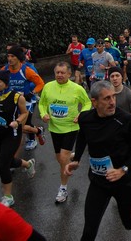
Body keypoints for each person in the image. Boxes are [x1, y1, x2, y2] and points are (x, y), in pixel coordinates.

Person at [64, 81, 131, 241]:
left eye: (113, 97)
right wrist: (76, 159)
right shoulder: (85, 119)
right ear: (94, 102)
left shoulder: (125, 120)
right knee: (88, 232)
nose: (112, 102)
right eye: (106, 98)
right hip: (99, 181)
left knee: (130, 223)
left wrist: (122, 170)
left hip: (124, 182)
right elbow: (83, 136)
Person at [0, 70, 36, 207]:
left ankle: (8, 196)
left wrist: (17, 121)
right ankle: (28, 164)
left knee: (2, 164)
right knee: (8, 162)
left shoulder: (17, 97)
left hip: (13, 134)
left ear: (6, 83)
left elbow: (25, 113)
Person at [38, 62, 92, 203]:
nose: (60, 75)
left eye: (63, 73)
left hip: (71, 127)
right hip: (54, 128)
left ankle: (63, 189)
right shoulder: (48, 87)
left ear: (69, 74)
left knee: (63, 158)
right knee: (60, 159)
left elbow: (87, 103)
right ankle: (73, 158)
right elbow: (42, 103)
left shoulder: (76, 88)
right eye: (57, 72)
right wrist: (43, 114)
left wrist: (81, 114)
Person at [3, 45, 45, 151]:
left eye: (12, 56)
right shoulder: (5, 69)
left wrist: (31, 93)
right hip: (13, 101)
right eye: (8, 56)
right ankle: (38, 131)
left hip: (27, 101)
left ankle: (32, 140)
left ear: (18, 58)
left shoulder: (26, 70)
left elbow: (40, 83)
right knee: (18, 124)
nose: (10, 59)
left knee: (23, 124)